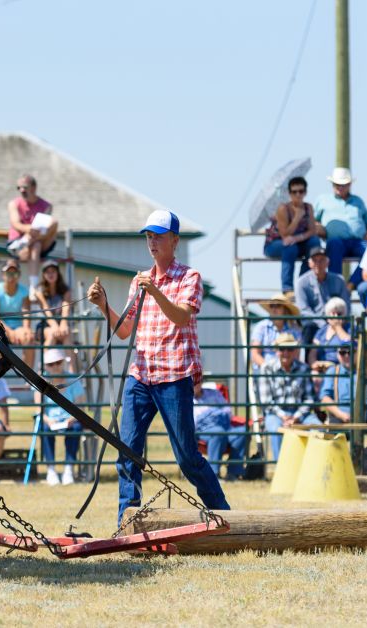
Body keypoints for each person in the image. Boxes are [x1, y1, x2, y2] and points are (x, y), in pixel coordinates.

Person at [87, 208, 229, 524]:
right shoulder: (140, 280)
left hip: (174, 376)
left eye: (159, 236)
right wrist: (103, 306)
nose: (152, 242)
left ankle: (223, 514)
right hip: (141, 375)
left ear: (174, 240)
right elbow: (124, 330)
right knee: (127, 451)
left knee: (188, 458)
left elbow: (181, 316)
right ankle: (128, 518)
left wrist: (155, 291)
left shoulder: (189, 277)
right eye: (149, 237)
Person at [257, 333, 320, 460]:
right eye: (282, 349)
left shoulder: (304, 369)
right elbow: (266, 401)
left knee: (318, 431)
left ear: (295, 350)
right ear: (276, 351)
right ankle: (281, 470)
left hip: (301, 413)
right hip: (275, 414)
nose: (286, 352)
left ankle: (312, 467)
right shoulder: (266, 368)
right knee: (277, 430)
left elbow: (309, 399)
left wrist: (296, 417)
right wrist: (283, 416)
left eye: (290, 349)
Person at [313, 167, 367, 287]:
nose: (340, 187)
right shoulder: (323, 200)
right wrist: (318, 227)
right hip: (336, 240)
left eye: (343, 184)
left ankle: (351, 284)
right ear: (332, 184)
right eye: (337, 184)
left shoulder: (358, 201)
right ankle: (336, 285)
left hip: (357, 241)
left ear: (349, 184)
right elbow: (313, 220)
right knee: (334, 245)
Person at [263, 176, 320, 293]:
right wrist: (297, 218)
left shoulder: (308, 208)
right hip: (275, 244)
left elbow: (312, 231)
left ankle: (303, 283)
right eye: (294, 192)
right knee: (290, 248)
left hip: (297, 242)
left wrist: (298, 237)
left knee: (315, 244)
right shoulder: (283, 208)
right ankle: (287, 288)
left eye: (301, 191)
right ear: (289, 193)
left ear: (305, 192)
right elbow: (284, 235)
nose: (298, 195)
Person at [37, 348, 85, 486]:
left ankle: (68, 469)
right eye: (51, 364)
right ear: (46, 366)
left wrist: (72, 418)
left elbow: (81, 406)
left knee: (75, 428)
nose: (55, 367)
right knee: (44, 428)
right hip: (49, 420)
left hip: (70, 419)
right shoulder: (40, 381)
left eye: (58, 362)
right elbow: (38, 408)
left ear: (63, 362)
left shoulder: (73, 380)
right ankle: (51, 470)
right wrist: (48, 420)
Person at [319, 341, 367, 425]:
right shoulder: (333, 371)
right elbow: (325, 397)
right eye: (342, 352)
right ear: (337, 355)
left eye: (351, 352)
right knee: (335, 435)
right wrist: (340, 414)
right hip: (342, 420)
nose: (347, 355)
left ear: (358, 353)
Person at [294, 246, 349, 359]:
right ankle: (309, 364)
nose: (318, 263)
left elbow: (346, 306)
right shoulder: (301, 282)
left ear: (327, 262)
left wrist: (337, 320)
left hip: (337, 320)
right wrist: (324, 323)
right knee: (309, 327)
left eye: (322, 260)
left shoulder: (339, 280)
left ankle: (348, 364)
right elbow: (304, 310)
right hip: (314, 322)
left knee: (352, 330)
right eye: (315, 260)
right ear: (309, 263)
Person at [8, 174, 58, 294]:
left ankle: (25, 241)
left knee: (54, 222)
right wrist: (30, 229)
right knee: (36, 245)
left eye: (24, 187)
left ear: (34, 188)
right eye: (18, 187)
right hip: (21, 244)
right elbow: (16, 224)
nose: (21, 190)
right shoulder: (13, 204)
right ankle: (34, 286)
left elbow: (46, 227)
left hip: (30, 243)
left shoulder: (47, 206)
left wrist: (30, 235)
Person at [192, 381, 246, 480]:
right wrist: (211, 413)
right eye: (192, 383)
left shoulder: (214, 393)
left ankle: (234, 473)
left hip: (225, 424)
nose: (195, 385)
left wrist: (215, 413)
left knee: (241, 432)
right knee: (218, 432)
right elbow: (191, 422)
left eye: (197, 382)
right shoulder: (187, 398)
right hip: (203, 429)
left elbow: (227, 410)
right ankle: (214, 474)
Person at [0, 258, 35, 366]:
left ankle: (29, 378)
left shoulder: (24, 291)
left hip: (18, 327)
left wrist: (26, 329)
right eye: (8, 273)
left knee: (29, 338)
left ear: (19, 274)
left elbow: (26, 311)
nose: (11, 276)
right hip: (0, 326)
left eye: (14, 273)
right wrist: (9, 332)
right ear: (3, 274)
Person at [249, 293, 302, 368]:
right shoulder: (261, 327)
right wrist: (266, 367)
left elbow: (296, 355)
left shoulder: (295, 329)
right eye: (272, 306)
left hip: (287, 371)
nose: (274, 309)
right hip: (265, 371)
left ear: (285, 309)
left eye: (278, 306)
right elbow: (255, 353)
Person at [34, 259, 72, 348]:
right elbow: (45, 309)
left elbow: (66, 307)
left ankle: (70, 362)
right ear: (43, 275)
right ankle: (47, 362)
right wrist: (54, 326)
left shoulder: (66, 290)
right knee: (52, 334)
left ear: (58, 273)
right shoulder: (39, 290)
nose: (51, 274)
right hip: (43, 326)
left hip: (61, 324)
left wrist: (63, 324)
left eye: (53, 271)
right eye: (47, 272)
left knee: (67, 334)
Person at [312, 297, 351, 368]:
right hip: (322, 367)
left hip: (341, 368)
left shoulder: (349, 328)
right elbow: (312, 353)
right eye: (333, 313)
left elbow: (348, 344)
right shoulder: (322, 331)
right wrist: (314, 368)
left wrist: (338, 327)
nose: (336, 316)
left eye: (339, 314)